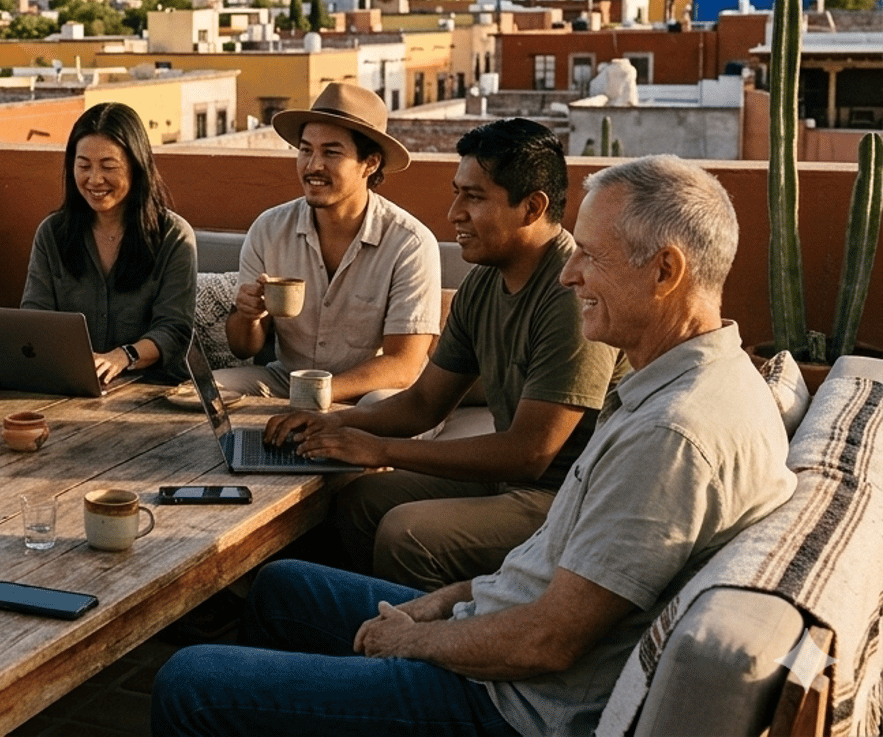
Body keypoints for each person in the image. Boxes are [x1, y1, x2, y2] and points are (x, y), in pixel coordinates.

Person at [152, 154, 796, 737]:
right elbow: (545, 573)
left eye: (591, 256)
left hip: (504, 702)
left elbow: (549, 641)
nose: (570, 273)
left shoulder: (674, 437)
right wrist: (442, 604)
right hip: (495, 633)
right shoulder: (698, 380)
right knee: (281, 586)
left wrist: (414, 643)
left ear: (665, 271)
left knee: (190, 681)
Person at [266, 118, 622, 588]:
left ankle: (431, 651)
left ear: (532, 208)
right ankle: (356, 633)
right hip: (511, 483)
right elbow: (423, 403)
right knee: (358, 500)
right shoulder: (483, 283)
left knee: (406, 533)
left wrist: (380, 450)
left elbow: (529, 453)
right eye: (457, 192)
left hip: (567, 497)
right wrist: (332, 422)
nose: (453, 212)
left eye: (474, 197)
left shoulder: (571, 294)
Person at [219, 82, 440, 403]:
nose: (312, 166)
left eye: (331, 152)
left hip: (376, 390)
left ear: (370, 163)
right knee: (206, 392)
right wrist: (248, 315)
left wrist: (317, 395)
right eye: (305, 150)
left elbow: (402, 365)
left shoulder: (411, 243)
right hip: (289, 380)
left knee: (379, 407)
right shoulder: (269, 229)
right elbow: (242, 349)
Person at [21, 102, 196, 385]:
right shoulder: (52, 233)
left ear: (136, 166)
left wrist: (122, 357)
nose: (94, 179)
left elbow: (174, 330)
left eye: (108, 166)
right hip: (70, 384)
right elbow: (34, 317)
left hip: (151, 387)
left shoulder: (173, 236)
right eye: (84, 166)